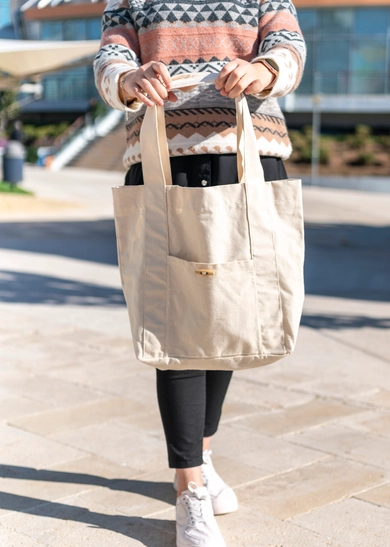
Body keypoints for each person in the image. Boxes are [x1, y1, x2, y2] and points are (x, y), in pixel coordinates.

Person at [94, 1, 305, 545]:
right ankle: (189, 488)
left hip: (246, 149)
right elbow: (110, 59)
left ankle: (201, 457)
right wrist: (130, 78)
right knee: (179, 320)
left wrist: (265, 70)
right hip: (166, 155)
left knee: (228, 313)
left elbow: (290, 47)